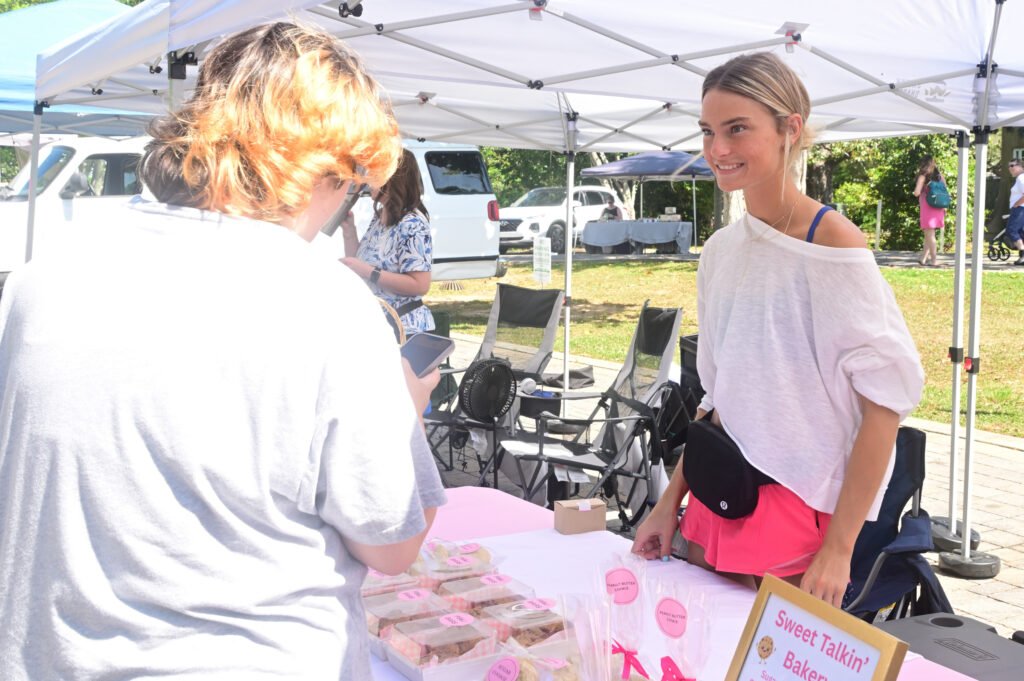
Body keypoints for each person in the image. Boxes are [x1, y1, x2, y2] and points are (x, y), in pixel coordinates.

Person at [0, 22, 445, 680]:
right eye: (349, 179)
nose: (342, 200)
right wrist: (407, 407)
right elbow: (394, 541)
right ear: (314, 164)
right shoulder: (324, 302)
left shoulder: (43, 275)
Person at [631, 52, 924, 609]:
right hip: (718, 500)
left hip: (798, 514)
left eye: (737, 129)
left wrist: (840, 548)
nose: (717, 149)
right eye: (708, 131)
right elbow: (719, 399)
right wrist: (669, 503)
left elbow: (886, 404)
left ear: (790, 129)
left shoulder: (832, 244)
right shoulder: (720, 251)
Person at [340, 149, 435, 334]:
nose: (368, 180)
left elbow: (420, 285)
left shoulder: (412, 224)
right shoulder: (381, 217)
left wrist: (368, 272)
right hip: (380, 326)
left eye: (375, 174)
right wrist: (349, 232)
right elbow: (361, 262)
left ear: (393, 178)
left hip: (406, 330)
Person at [913, 156, 946, 266]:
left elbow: (917, 192)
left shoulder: (923, 176)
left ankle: (934, 260)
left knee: (930, 234)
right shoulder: (940, 176)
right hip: (939, 206)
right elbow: (945, 190)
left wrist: (916, 192)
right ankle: (923, 258)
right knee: (928, 234)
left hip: (927, 207)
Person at [1005, 159, 1024, 265]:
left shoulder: (1021, 178)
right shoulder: (1020, 179)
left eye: (1012, 166)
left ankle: (1023, 254)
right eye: (1009, 166)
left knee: (1011, 230)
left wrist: (1016, 204)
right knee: (1020, 232)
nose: (1010, 168)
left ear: (1020, 166)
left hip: (1020, 208)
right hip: (1020, 208)